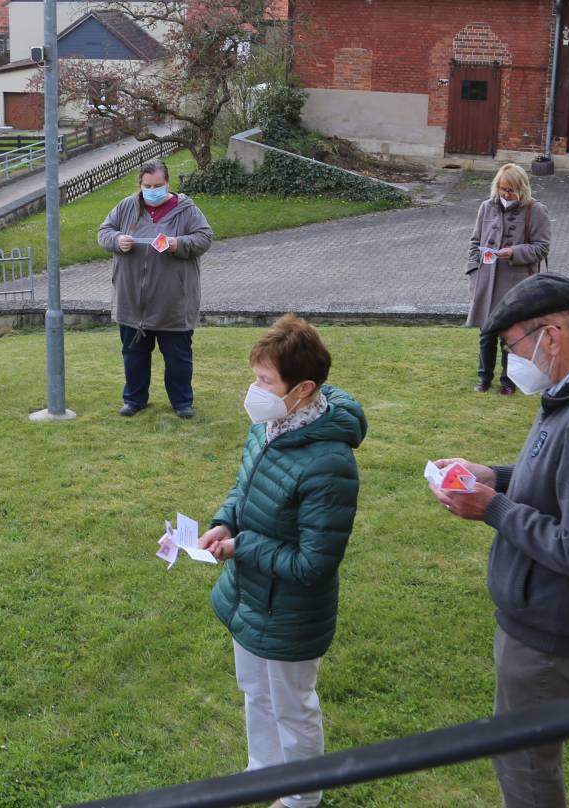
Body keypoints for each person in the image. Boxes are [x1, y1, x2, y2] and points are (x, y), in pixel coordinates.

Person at [430, 273, 569, 808]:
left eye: (512, 348)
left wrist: (491, 507)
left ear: (548, 336)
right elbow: (561, 482)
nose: (511, 363)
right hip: (540, 614)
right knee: (520, 751)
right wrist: (495, 476)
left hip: (552, 629)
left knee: (524, 764)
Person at [198, 314, 363, 808]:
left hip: (290, 610)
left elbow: (314, 563)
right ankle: (263, 774)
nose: (255, 390)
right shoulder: (269, 425)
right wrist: (225, 521)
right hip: (251, 597)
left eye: (266, 381)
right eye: (256, 377)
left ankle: (300, 797)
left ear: (304, 387)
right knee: (256, 691)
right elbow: (245, 486)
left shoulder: (329, 463)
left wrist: (242, 547)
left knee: (292, 706)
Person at [97, 160, 213, 418]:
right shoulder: (127, 206)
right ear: (140, 185)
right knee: (134, 355)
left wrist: (177, 244)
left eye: (157, 186)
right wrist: (117, 241)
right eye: (147, 186)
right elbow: (104, 232)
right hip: (132, 303)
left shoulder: (187, 210)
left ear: (168, 184)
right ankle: (134, 400)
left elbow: (204, 238)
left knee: (178, 358)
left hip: (173, 303)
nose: (152, 191)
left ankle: (182, 403)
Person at [466, 163, 552, 395]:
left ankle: (508, 380)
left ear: (522, 188)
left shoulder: (536, 210)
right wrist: (473, 271)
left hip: (516, 283)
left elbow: (542, 248)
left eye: (512, 190)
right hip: (486, 281)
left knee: (511, 334)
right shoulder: (487, 207)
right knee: (486, 333)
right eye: (503, 189)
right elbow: (475, 242)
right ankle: (484, 377)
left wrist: (514, 252)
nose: (506, 194)